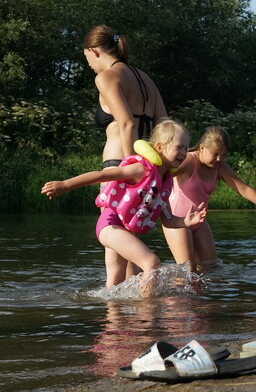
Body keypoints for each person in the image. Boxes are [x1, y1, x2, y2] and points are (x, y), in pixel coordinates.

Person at [41, 120, 206, 294]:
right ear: (159, 147)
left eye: (186, 148)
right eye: (179, 147)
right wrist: (66, 185)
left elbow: (168, 220)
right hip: (110, 226)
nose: (183, 153)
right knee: (151, 262)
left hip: (122, 232)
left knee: (113, 287)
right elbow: (102, 175)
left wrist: (185, 221)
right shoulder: (142, 169)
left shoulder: (164, 181)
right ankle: (147, 312)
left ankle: (115, 319)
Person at [84, 25, 169, 276]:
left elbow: (126, 123)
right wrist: (159, 168)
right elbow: (163, 122)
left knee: (112, 233)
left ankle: (113, 300)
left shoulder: (106, 77)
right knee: (127, 237)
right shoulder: (145, 78)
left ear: (94, 50)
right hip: (148, 165)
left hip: (120, 162)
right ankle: (133, 305)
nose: (88, 63)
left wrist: (128, 166)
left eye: (86, 57)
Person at [164, 126, 256, 271]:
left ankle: (204, 294)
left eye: (224, 154)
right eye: (215, 153)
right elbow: (165, 172)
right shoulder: (189, 161)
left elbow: (244, 189)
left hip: (199, 221)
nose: (219, 159)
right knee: (187, 271)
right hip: (177, 221)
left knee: (211, 268)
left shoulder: (220, 167)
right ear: (201, 147)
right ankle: (170, 292)